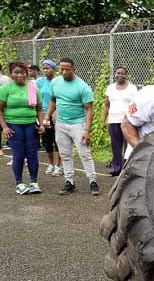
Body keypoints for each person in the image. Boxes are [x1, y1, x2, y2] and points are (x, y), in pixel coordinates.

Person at [44, 58, 99, 196]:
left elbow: (89, 110)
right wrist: (47, 116)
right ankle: (69, 182)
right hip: (61, 124)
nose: (64, 72)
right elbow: (53, 101)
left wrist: (87, 130)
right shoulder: (55, 82)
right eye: (61, 69)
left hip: (78, 124)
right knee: (65, 154)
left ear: (74, 69)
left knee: (85, 153)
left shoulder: (82, 86)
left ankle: (93, 182)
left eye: (67, 69)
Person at [0, 62, 45, 194]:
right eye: (16, 72)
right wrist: (4, 127)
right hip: (13, 126)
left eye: (22, 72)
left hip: (31, 125)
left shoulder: (33, 89)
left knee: (32, 155)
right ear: (11, 74)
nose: (19, 75)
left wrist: (41, 124)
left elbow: (39, 109)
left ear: (26, 73)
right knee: (18, 155)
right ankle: (19, 183)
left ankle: (34, 182)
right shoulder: (5, 89)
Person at [102, 67, 138, 176]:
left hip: (128, 121)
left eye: (122, 73)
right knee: (115, 145)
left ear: (126, 75)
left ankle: (127, 168)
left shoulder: (132, 88)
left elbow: (136, 104)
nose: (120, 75)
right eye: (118, 73)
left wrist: (134, 118)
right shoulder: (110, 88)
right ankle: (116, 168)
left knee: (129, 146)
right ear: (115, 74)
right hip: (113, 120)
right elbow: (107, 105)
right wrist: (103, 120)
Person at [37, 59, 63, 176]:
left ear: (54, 69)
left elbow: (61, 97)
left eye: (48, 68)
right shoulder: (39, 82)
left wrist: (55, 111)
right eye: (44, 68)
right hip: (43, 116)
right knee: (47, 141)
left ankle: (59, 166)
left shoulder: (59, 81)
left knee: (58, 141)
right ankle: (51, 164)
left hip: (56, 115)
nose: (45, 70)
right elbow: (35, 98)